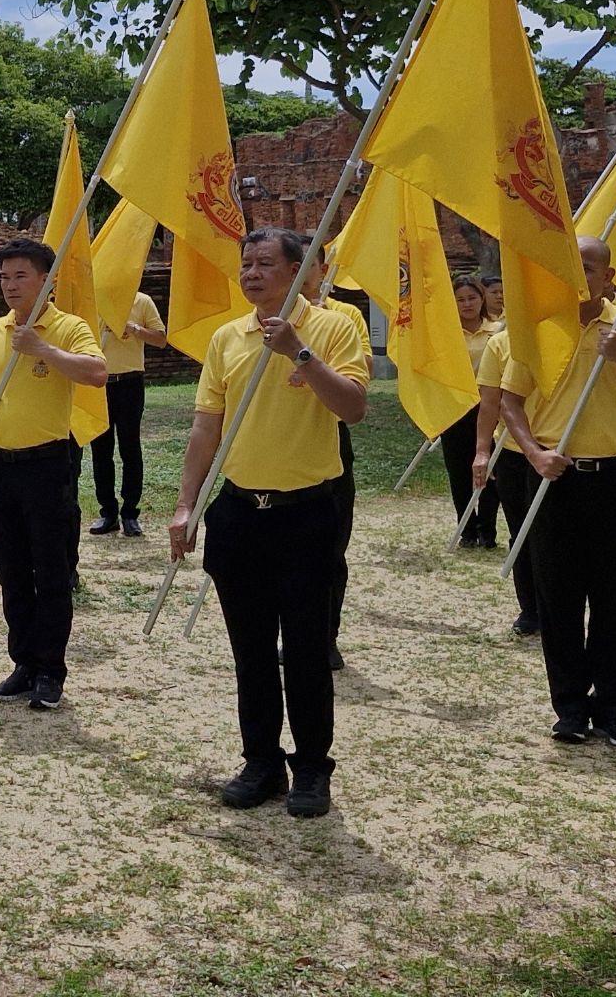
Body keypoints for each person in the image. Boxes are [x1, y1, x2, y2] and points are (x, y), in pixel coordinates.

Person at [170, 227, 370, 819]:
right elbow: (206, 426)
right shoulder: (227, 337)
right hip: (240, 513)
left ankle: (311, 767)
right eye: (246, 265)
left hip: (307, 513)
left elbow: (353, 408)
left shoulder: (335, 326)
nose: (252, 274)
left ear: (297, 270)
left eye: (265, 264)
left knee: (305, 649)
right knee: (251, 649)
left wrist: (298, 353)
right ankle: (261, 761)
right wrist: (187, 505)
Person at [495, 237, 616, 747]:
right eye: (570, 269)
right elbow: (510, 401)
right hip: (553, 479)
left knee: (611, 598)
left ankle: (614, 708)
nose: (579, 278)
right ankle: (570, 707)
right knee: (557, 598)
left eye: (589, 268)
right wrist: (534, 453)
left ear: (609, 276)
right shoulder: (538, 328)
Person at [0, 240, 108, 710]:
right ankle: (24, 663)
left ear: (46, 281)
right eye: (4, 277)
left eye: (21, 276)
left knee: (50, 572)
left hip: (47, 465)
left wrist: (42, 348)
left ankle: (51, 670)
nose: (10, 285)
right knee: (11, 571)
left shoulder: (69, 327)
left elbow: (96, 372)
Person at [304, 251, 371, 669]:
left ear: (322, 270)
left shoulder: (344, 317)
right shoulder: (264, 319)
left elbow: (361, 370)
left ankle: (325, 637)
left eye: (307, 264)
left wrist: (312, 361)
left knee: (330, 545)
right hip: (277, 438)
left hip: (329, 432)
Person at [478, 322, 546, 635]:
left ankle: (558, 606)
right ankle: (530, 608)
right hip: (515, 452)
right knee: (522, 532)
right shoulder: (500, 343)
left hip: (561, 449)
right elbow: (490, 401)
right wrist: (482, 451)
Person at [87, 285, 168, 537]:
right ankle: (108, 512)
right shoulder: (92, 301)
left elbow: (161, 339)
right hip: (99, 383)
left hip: (130, 382)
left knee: (130, 448)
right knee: (101, 449)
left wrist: (134, 329)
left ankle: (130, 513)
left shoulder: (141, 301)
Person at [446, 275, 497, 548]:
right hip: (455, 410)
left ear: (482, 299)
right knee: (459, 472)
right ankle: (466, 530)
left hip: (489, 408)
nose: (467, 304)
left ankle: (487, 530)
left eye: (472, 298)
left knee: (490, 470)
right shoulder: (447, 334)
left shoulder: (497, 331)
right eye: (460, 300)